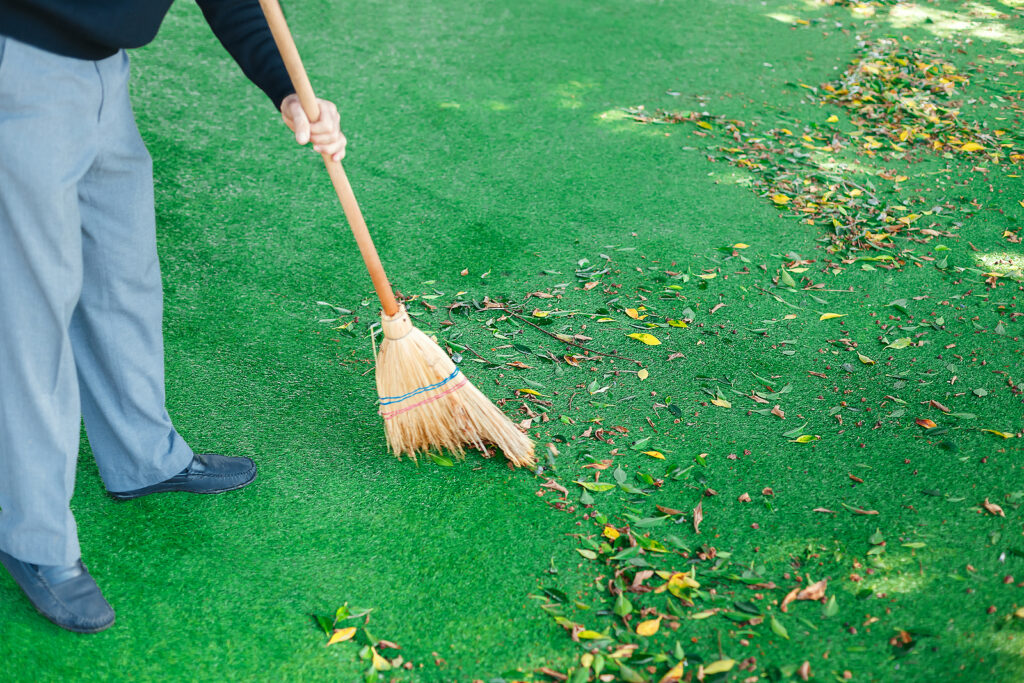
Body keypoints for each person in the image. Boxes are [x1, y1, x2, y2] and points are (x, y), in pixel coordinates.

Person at [0, 0, 345, 633]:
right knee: (28, 312)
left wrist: (285, 87)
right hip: (19, 65)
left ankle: (142, 457)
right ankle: (34, 535)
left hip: (105, 70)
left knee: (121, 272)